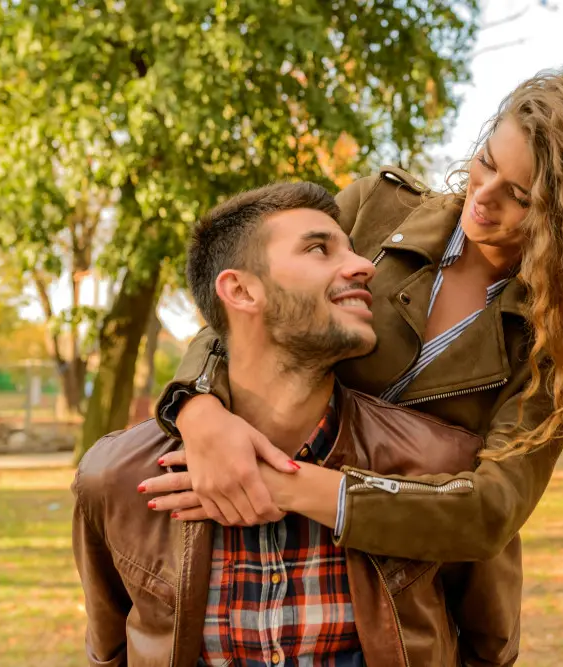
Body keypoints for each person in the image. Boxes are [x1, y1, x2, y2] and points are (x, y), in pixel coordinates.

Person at [150, 65, 563, 652]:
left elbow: (490, 508)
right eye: (488, 162)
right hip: (252, 554)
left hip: (409, 602)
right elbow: (245, 308)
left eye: (521, 197)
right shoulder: (374, 210)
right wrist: (197, 410)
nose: (483, 198)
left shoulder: (558, 343)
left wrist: (290, 486)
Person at [72, 182, 503, 666]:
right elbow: (110, 652)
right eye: (319, 249)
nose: (363, 265)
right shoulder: (115, 478)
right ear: (240, 289)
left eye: (352, 249)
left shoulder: (439, 465)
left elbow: (489, 650)